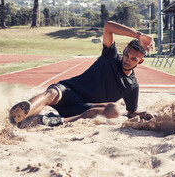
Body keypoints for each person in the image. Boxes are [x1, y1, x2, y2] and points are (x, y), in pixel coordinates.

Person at [9, 21, 155, 128]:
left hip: (84, 108)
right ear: (123, 52)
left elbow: (131, 112)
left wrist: (143, 114)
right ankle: (20, 116)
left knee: (114, 110)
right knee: (51, 93)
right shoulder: (110, 57)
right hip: (69, 91)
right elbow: (108, 26)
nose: (127, 60)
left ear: (140, 62)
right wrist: (139, 35)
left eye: (133, 59)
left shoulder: (132, 85)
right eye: (126, 55)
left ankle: (59, 121)